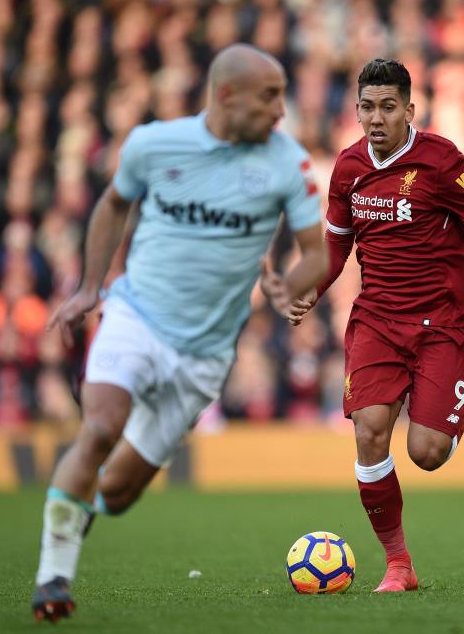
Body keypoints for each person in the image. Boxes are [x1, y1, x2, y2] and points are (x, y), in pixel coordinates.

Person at [31, 44, 327, 621]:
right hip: (135, 316)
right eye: (269, 97)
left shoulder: (287, 163)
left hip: (206, 354)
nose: (280, 111)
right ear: (226, 96)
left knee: (117, 491)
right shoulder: (153, 144)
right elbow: (113, 205)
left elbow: (316, 252)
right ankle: (53, 578)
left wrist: (288, 286)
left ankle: (84, 505)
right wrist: (92, 286)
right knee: (98, 428)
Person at [288, 59, 464, 592]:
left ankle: (447, 412)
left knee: (426, 453)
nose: (375, 118)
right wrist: (311, 289)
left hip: (442, 324)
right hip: (376, 320)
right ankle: (398, 564)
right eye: (367, 107)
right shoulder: (347, 168)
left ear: (409, 110)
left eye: (388, 107)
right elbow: (338, 244)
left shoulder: (440, 162)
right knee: (369, 429)